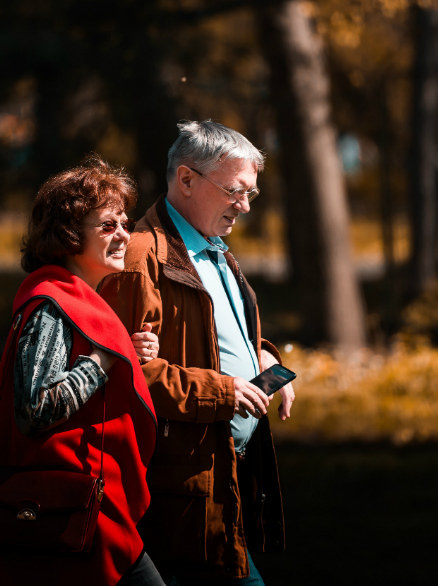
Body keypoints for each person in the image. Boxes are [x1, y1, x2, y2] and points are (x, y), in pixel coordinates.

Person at [98, 121, 294, 585]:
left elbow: (219, 333)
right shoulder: (141, 254)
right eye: (234, 191)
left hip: (222, 476)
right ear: (186, 180)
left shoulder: (214, 248)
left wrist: (263, 358)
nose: (244, 206)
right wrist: (225, 391)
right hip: (178, 488)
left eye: (251, 193)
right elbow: (125, 372)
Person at [0, 157, 163, 586]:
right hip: (68, 512)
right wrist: (106, 358)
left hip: (81, 508)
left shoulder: (77, 301)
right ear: (69, 235)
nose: (124, 234)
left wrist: (123, 353)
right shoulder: (52, 305)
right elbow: (35, 408)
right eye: (108, 225)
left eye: (125, 222)